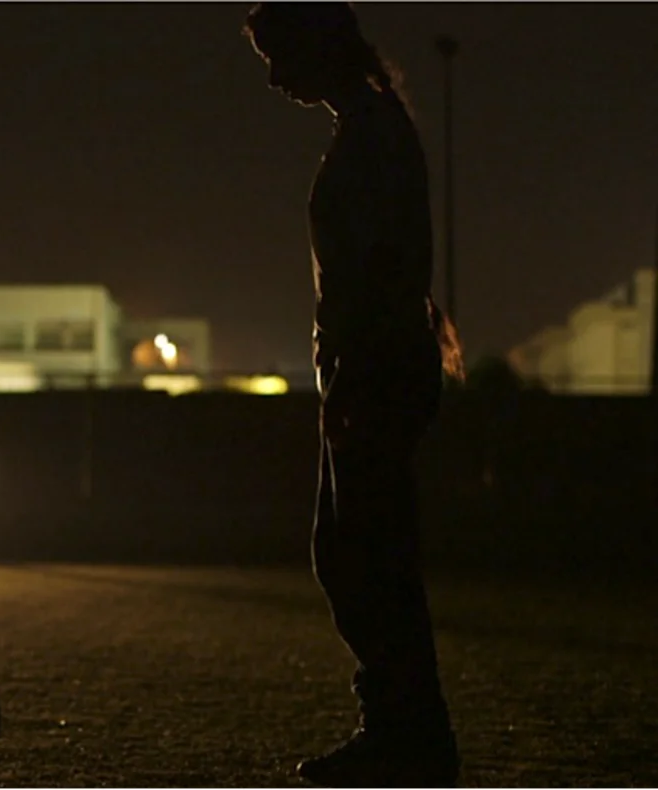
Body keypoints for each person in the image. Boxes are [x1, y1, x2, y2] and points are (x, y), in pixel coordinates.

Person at [243, 4, 466, 786]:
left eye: (279, 56)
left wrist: (351, 375)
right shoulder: (372, 126)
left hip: (373, 369)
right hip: (374, 367)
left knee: (361, 555)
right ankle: (407, 730)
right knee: (358, 553)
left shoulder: (370, 134)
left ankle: (407, 733)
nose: (275, 76)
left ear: (317, 48)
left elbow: (377, 272)